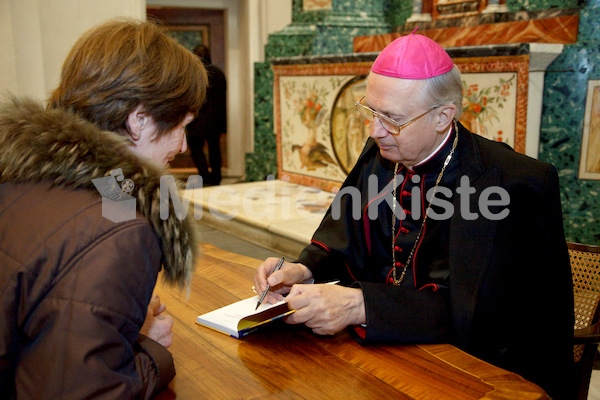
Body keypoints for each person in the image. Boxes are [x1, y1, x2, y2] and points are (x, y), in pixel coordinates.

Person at [254, 32, 574, 399]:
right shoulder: (381, 156)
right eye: (371, 112)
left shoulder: (514, 185)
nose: (375, 131)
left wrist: (361, 305)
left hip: (470, 375)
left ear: (442, 116)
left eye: (391, 119)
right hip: (378, 359)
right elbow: (346, 237)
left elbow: (486, 315)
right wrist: (303, 269)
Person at [0, 18, 207, 399]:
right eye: (182, 126)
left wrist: (116, 323)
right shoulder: (120, 229)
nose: (181, 147)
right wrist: (150, 349)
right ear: (139, 120)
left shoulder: (26, 177)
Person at [186, 44, 227, 186]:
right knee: (215, 148)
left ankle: (204, 177)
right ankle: (216, 177)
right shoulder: (218, 73)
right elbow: (223, 100)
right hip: (215, 120)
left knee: (196, 149)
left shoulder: (191, 75)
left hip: (196, 119)